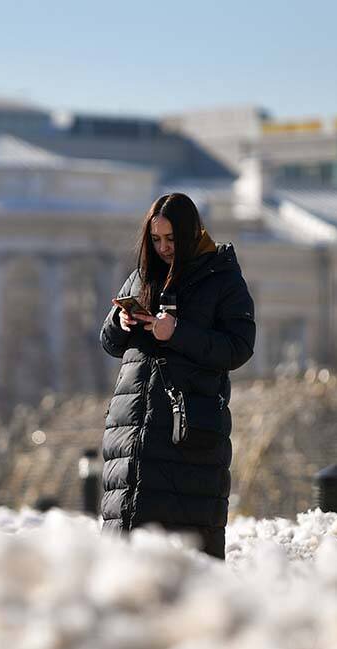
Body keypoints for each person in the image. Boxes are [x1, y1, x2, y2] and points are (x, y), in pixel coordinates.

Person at [98, 192, 255, 559]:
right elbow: (108, 342)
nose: (164, 248)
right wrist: (120, 323)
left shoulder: (222, 278)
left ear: (191, 234)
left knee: (183, 557)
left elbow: (239, 346)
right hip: (131, 434)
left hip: (186, 436)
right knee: (125, 560)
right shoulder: (140, 278)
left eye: (171, 239)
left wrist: (178, 333)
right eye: (155, 240)